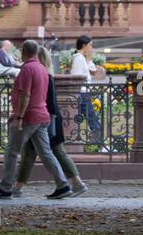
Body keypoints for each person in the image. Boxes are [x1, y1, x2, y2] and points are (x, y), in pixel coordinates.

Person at [0, 40, 71, 199]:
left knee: (12, 151)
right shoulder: (42, 69)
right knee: (46, 153)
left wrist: (19, 116)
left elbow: (25, 95)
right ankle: (63, 185)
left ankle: (5, 188)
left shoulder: (27, 69)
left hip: (29, 117)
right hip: (42, 115)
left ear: (24, 52)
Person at [12, 45, 87, 197]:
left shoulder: (43, 75)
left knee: (52, 151)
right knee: (31, 153)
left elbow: (48, 101)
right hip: (47, 118)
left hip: (45, 119)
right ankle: (17, 188)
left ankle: (75, 184)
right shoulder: (45, 74)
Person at [71, 34, 103, 138]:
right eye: (90, 45)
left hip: (84, 92)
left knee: (92, 118)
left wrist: (89, 57)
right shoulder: (78, 58)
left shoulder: (82, 58)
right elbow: (76, 77)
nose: (91, 48)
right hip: (81, 93)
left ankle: (98, 142)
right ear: (84, 45)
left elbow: (93, 71)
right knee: (92, 119)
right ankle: (98, 142)